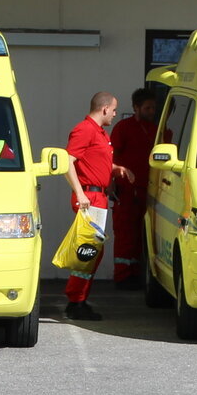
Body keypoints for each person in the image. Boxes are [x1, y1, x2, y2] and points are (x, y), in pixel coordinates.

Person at [62, 92, 125, 321]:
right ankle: (75, 302)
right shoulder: (85, 130)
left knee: (93, 252)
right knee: (87, 252)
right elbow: (67, 161)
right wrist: (80, 193)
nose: (116, 114)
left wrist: (114, 168)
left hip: (97, 197)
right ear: (105, 109)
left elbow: (94, 161)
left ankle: (79, 300)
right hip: (89, 198)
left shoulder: (98, 132)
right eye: (115, 109)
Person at [106, 87, 163, 290]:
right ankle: (122, 276)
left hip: (150, 190)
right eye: (147, 108)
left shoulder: (158, 130)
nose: (151, 111)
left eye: (153, 108)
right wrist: (111, 183)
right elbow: (110, 157)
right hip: (127, 190)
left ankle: (138, 273)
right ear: (136, 107)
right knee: (125, 233)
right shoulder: (123, 127)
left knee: (143, 234)